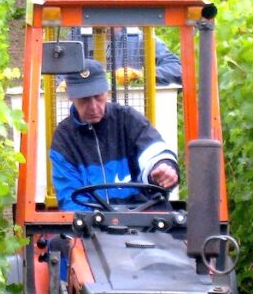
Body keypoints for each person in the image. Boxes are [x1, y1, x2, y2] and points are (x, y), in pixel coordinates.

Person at [50, 59, 180, 211]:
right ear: (70, 96)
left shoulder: (128, 119)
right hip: (93, 223)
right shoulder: (64, 138)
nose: (93, 106)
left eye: (98, 96)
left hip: (144, 217)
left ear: (107, 91)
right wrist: (97, 225)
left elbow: (153, 152)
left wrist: (162, 167)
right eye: (84, 99)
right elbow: (70, 198)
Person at [69, 27, 182, 85]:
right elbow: (55, 76)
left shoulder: (140, 39)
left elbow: (177, 69)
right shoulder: (75, 39)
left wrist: (140, 75)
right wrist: (66, 83)